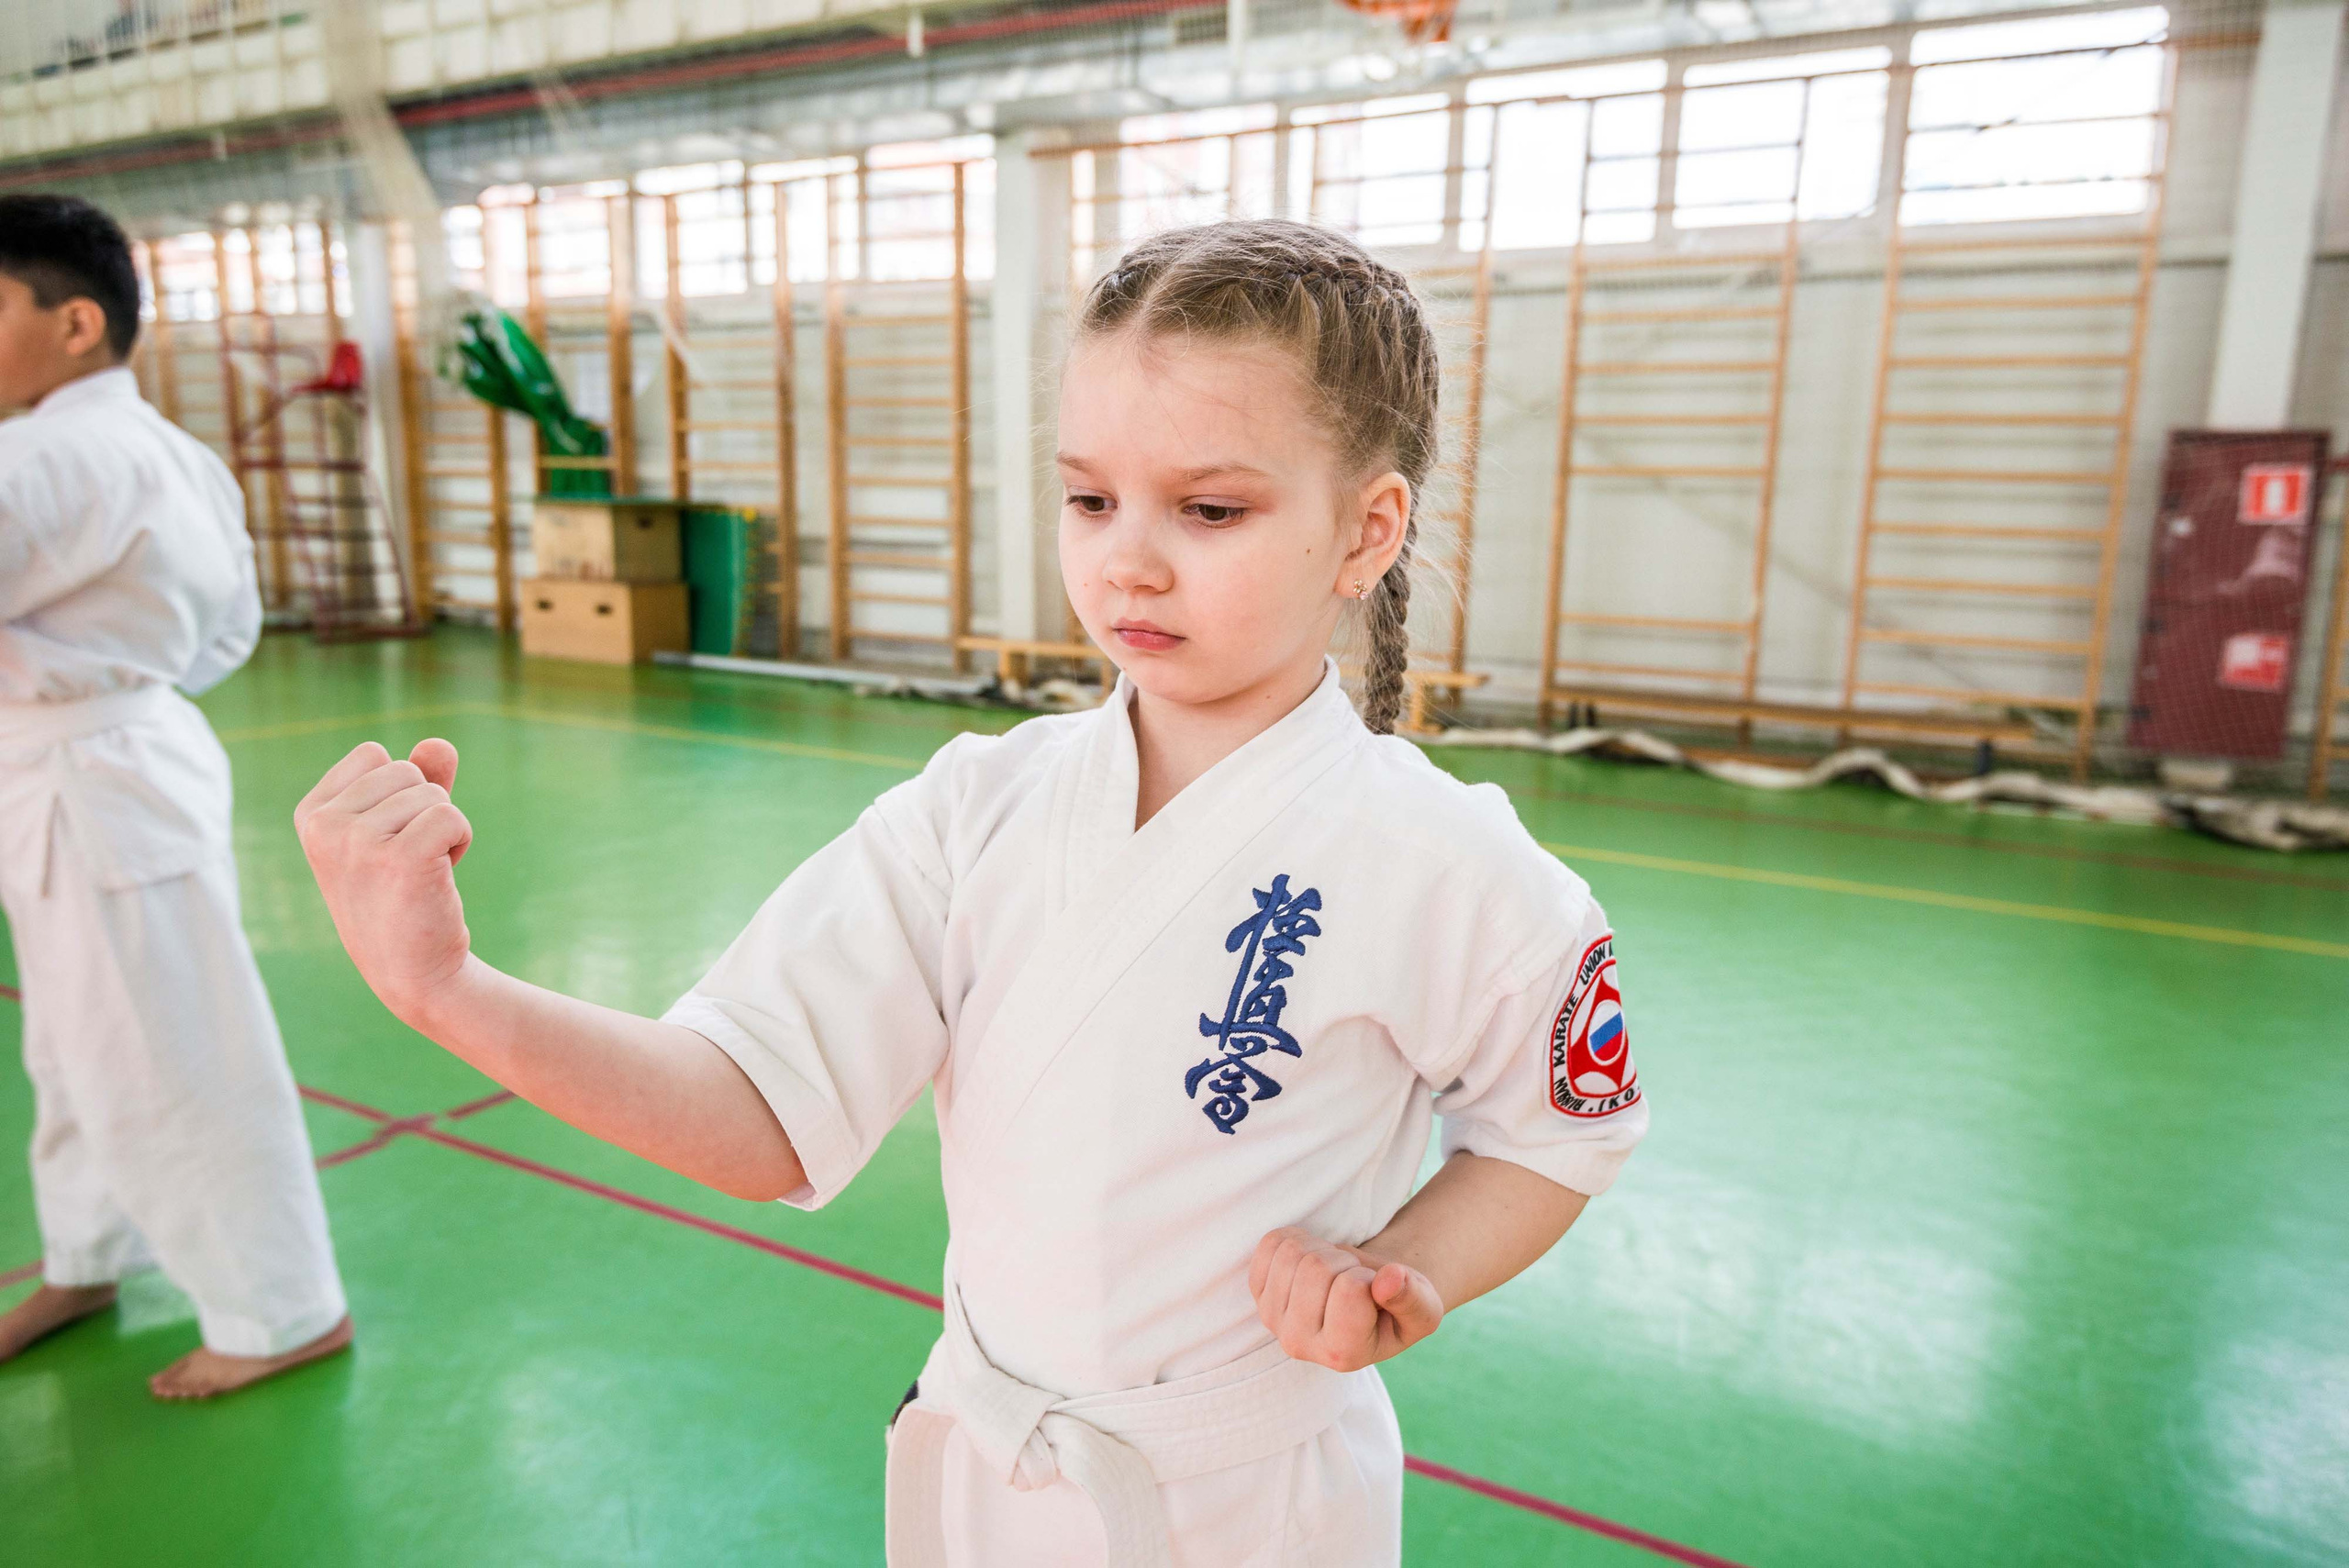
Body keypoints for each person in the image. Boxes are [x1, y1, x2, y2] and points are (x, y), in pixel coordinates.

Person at [295, 217, 1646, 1563]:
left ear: (1368, 530)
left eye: (1211, 509)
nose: (1129, 559)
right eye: (1090, 498)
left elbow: (1563, 1126)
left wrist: (1407, 1265)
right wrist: (447, 990)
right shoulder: (972, 808)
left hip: (1248, 1509)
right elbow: (762, 1109)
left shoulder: (1439, 857)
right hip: (992, 1478)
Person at [0, 194, 351, 1398]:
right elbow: (226, 635)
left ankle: (281, 1308)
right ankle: (88, 1255)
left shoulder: (45, 455)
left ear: (77, 321)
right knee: (79, 1043)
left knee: (173, 1052)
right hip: (127, 750)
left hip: (88, 780)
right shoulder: (173, 453)